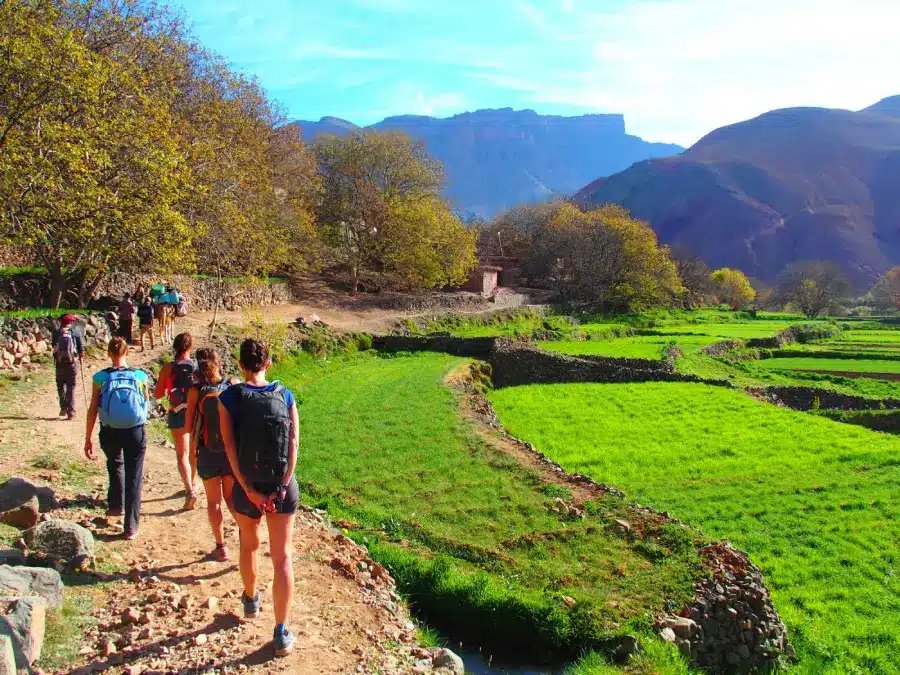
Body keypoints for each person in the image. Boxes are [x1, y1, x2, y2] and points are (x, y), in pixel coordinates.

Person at [219, 339, 299, 657]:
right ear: (268, 363)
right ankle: (281, 631)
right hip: (282, 486)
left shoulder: (229, 398)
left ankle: (251, 599)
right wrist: (281, 487)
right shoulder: (286, 394)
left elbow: (229, 447)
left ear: (240, 364)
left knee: (249, 544)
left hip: (246, 486)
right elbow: (293, 445)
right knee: (282, 558)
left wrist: (249, 490)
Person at [83, 337, 149, 540]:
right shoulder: (139, 375)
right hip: (135, 430)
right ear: (127, 353)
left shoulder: (100, 378)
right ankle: (131, 527)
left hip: (110, 430)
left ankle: (116, 506)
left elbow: (93, 408)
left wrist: (88, 438)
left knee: (114, 463)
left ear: (109, 354)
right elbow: (145, 401)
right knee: (134, 475)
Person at [184, 349, 240, 561]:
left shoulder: (196, 391)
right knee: (231, 499)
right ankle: (246, 536)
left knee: (214, 502)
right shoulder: (232, 385)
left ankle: (221, 547)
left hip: (207, 453)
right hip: (230, 453)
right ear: (220, 364)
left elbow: (188, 426)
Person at [154, 333, 198, 509]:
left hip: (177, 412)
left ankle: (190, 490)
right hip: (195, 413)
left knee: (182, 454)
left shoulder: (168, 368)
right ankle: (193, 483)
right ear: (190, 347)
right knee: (194, 453)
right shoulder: (197, 367)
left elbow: (158, 394)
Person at [51, 315, 85, 420]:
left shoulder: (57, 332)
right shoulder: (76, 332)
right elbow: (81, 349)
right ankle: (71, 412)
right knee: (71, 387)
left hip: (60, 363)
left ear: (61, 322)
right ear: (71, 322)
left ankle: (63, 408)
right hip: (72, 364)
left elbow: (53, 346)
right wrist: (81, 358)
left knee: (60, 386)